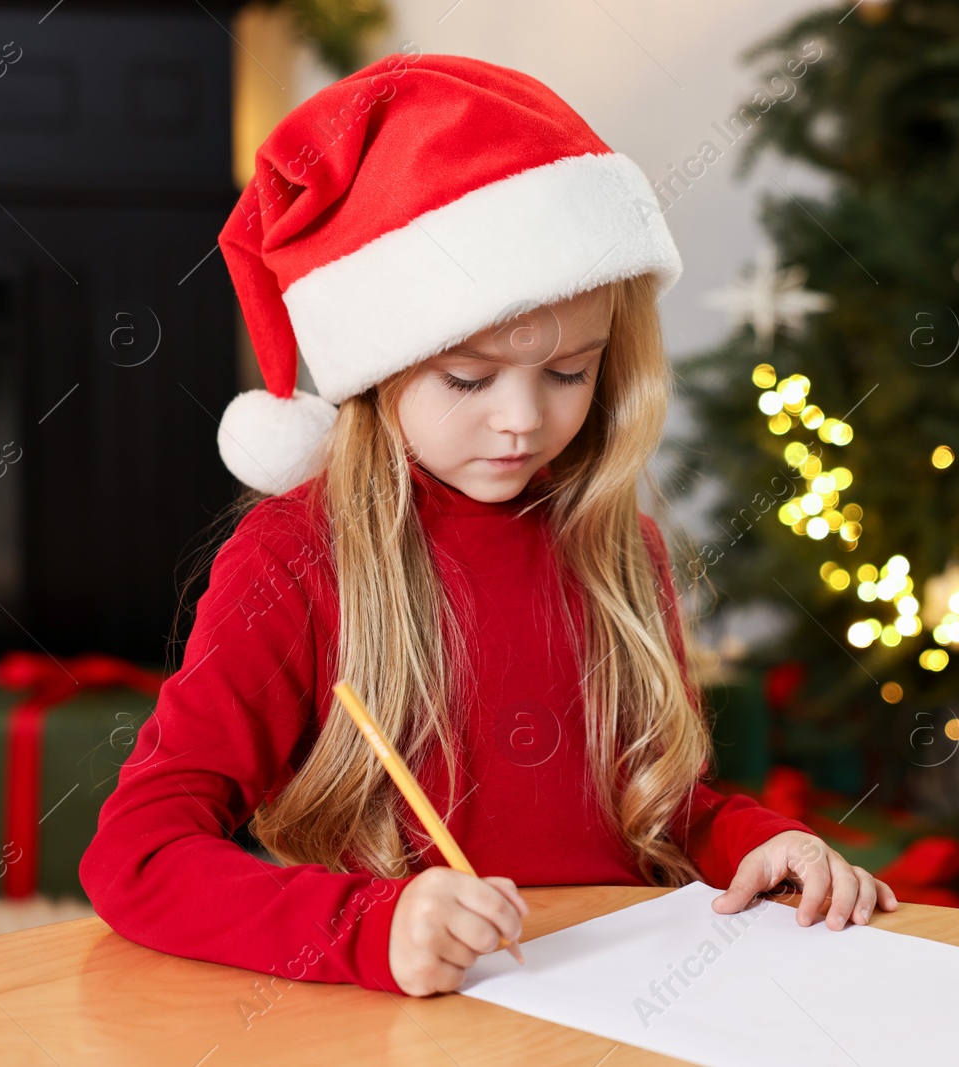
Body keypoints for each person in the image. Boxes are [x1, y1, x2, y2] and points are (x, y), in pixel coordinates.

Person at [79, 49, 897, 998]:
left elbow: (657, 814)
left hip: (628, 1008)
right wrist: (366, 928)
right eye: (467, 378)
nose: (522, 419)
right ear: (377, 366)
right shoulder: (293, 559)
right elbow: (137, 855)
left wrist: (763, 840)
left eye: (569, 372)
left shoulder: (619, 544)